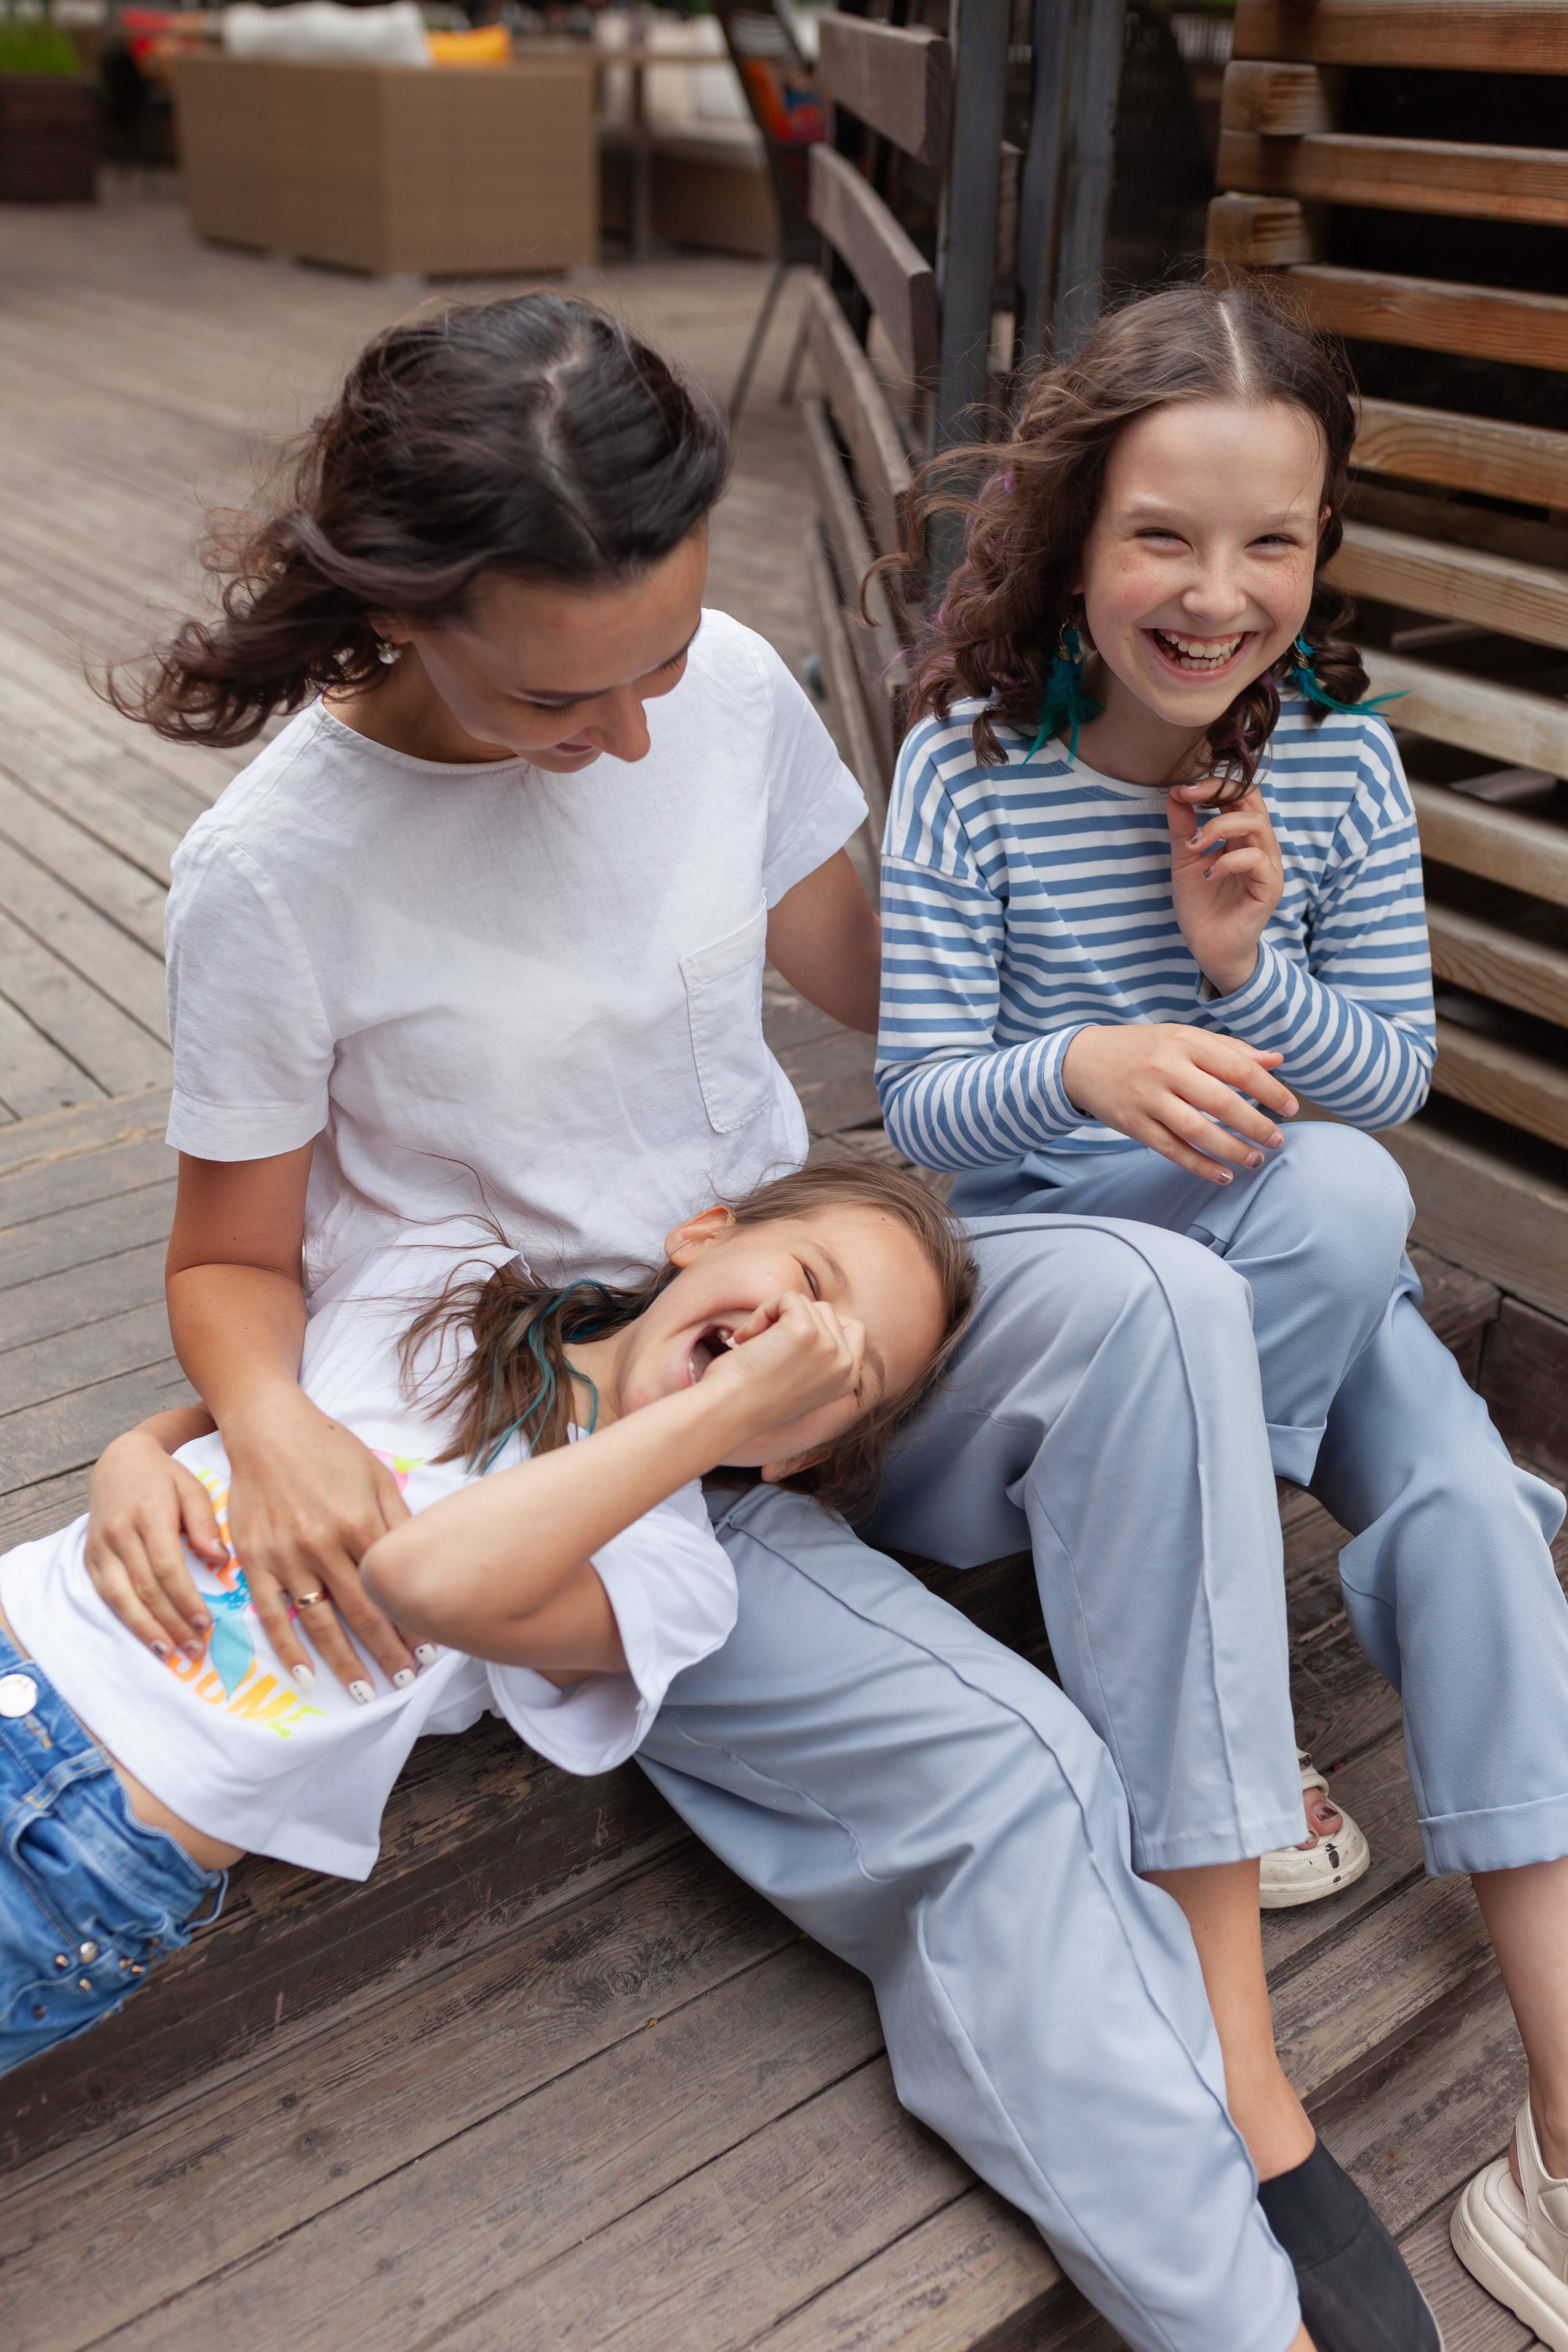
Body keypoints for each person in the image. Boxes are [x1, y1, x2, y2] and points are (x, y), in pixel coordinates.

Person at [78, 285, 1433, 2349]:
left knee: (1160, 1300)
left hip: (822, 1274)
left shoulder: (711, 684)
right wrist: (245, 1422)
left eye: (658, 663)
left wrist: (1163, 931)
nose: (635, 733)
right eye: (563, 695)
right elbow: (229, 1260)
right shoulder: (274, 871)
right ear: (401, 609)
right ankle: (1235, 2312)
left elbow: (900, 985)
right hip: (609, 1433)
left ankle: (1239, 2043)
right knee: (1008, 1777)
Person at [874, 275, 1568, 2349]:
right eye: (1164, 536)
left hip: (1282, 1264)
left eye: (1273, 540)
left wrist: (1246, 967)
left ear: (1323, 545)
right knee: (1304, 1226)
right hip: (1048, 1296)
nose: (1217, 593)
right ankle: (1220, 1702)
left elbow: (1390, 1071)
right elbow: (923, 1108)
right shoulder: (970, 762)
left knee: (1452, 1461)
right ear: (1074, 531)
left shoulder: (1339, 763)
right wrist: (1088, 1065)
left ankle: (1564, 2122)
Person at [0, 1162, 973, 2073]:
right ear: (703, 1235)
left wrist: (736, 1400)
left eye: (841, 1369)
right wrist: (136, 1451)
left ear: (803, 1458)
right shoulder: (434, 1278)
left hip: (83, 1840)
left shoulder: (672, 1578)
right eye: (809, 1280)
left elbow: (425, 1578)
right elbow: (243, 1417)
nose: (799, 1337)